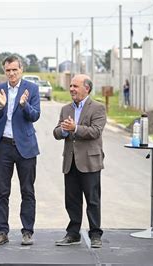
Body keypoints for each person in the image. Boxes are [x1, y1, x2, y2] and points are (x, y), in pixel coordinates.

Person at [0, 55, 41, 246]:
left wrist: (24, 105)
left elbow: (35, 116)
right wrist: (0, 105)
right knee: (2, 192)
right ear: (4, 71)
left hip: (25, 146)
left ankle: (27, 232)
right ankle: (2, 232)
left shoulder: (31, 89)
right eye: (8, 70)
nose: (11, 73)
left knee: (27, 191)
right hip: (3, 147)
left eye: (15, 70)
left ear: (21, 70)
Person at [52, 74, 106, 248]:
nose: (72, 89)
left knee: (93, 200)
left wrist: (75, 128)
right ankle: (73, 234)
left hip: (89, 161)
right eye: (71, 86)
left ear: (87, 88)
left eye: (75, 86)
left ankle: (95, 234)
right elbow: (56, 132)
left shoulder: (97, 108)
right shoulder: (66, 109)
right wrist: (65, 131)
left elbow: (95, 131)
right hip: (70, 161)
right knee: (72, 200)